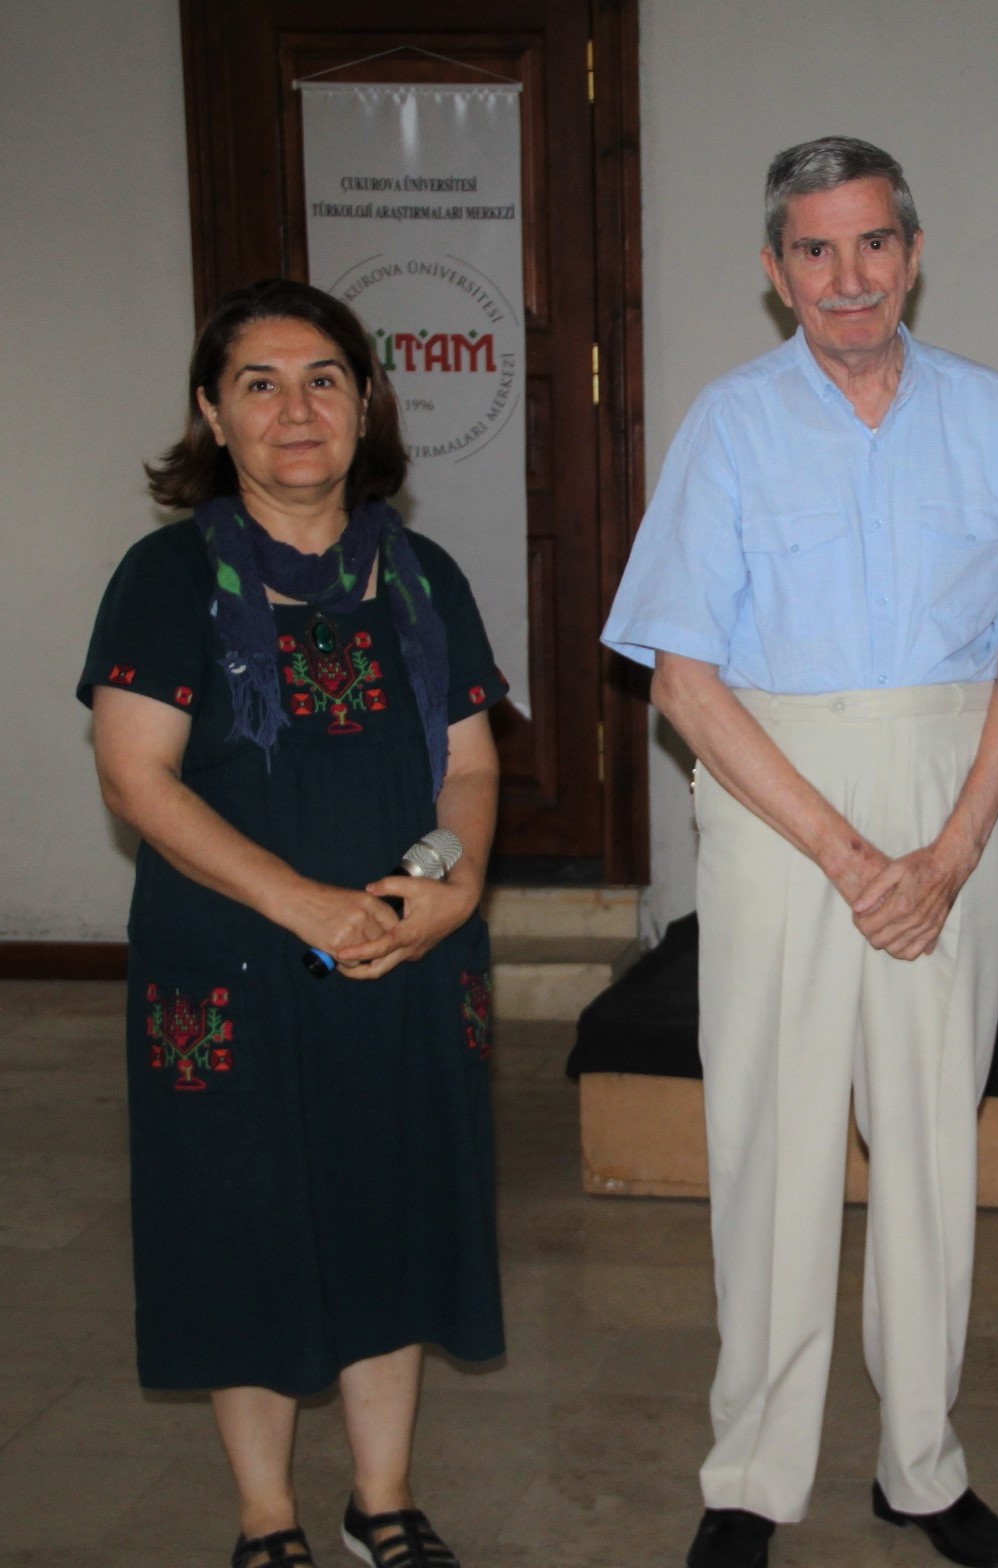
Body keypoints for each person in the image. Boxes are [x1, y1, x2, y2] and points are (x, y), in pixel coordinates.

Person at [603, 137, 998, 1568]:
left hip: (952, 800)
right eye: (815, 249)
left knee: (930, 1145)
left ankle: (922, 1465)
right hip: (774, 806)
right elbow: (684, 680)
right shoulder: (730, 426)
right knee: (773, 1144)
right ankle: (752, 1476)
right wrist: (853, 858)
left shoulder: (987, 415)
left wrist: (955, 848)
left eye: (872, 244)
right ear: (775, 269)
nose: (847, 277)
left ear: (913, 254)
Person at [79, 279, 508, 1568]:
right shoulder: (164, 580)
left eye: (323, 378)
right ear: (213, 416)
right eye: (257, 384)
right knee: (244, 1229)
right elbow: (136, 780)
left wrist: (453, 885)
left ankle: (383, 1500)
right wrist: (303, 903)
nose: (295, 408)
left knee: (391, 1214)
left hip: (402, 962)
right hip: (230, 969)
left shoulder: (423, 576)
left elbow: (470, 767)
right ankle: (267, 1514)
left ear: (366, 402)